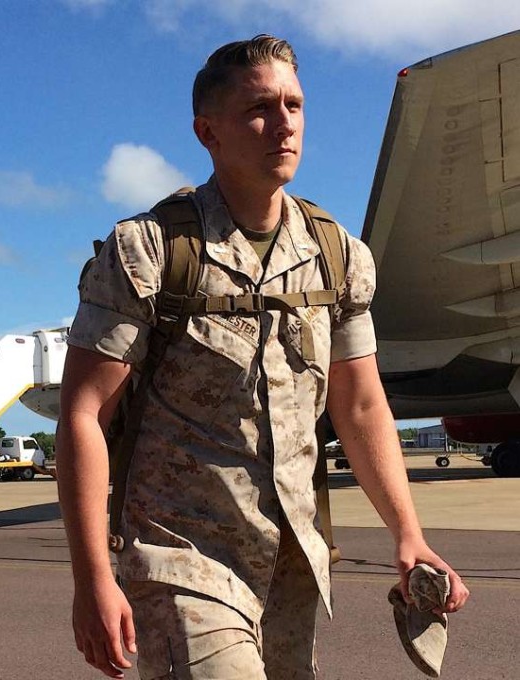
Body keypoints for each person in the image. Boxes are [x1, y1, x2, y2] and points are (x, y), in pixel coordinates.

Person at [56, 35, 469, 680]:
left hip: (293, 565)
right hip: (181, 559)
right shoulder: (149, 251)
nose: (284, 125)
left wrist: (407, 534)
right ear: (207, 131)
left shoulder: (339, 257)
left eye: (294, 106)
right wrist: (91, 578)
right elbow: (83, 415)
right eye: (259, 109)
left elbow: (359, 406)